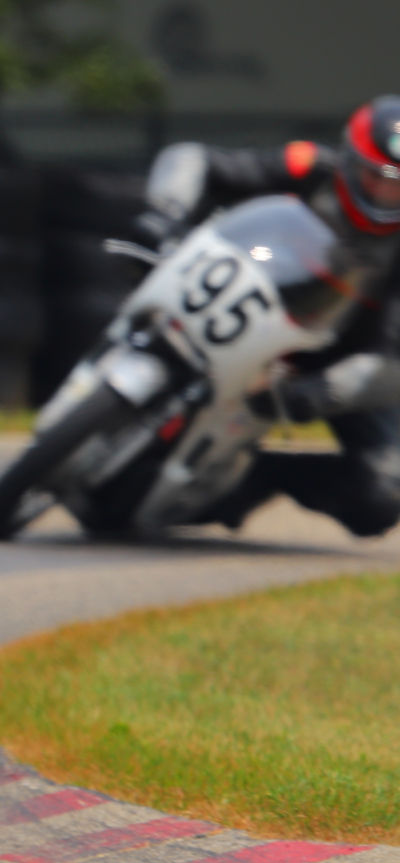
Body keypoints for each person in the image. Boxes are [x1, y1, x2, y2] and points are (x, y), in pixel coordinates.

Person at [145, 96, 400, 537]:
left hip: (337, 358)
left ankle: (252, 478)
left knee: (383, 495)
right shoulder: (308, 166)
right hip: (243, 293)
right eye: (374, 176)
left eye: (397, 184)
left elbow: (394, 360)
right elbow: (194, 159)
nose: (383, 192)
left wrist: (326, 391)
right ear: (350, 158)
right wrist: (165, 214)